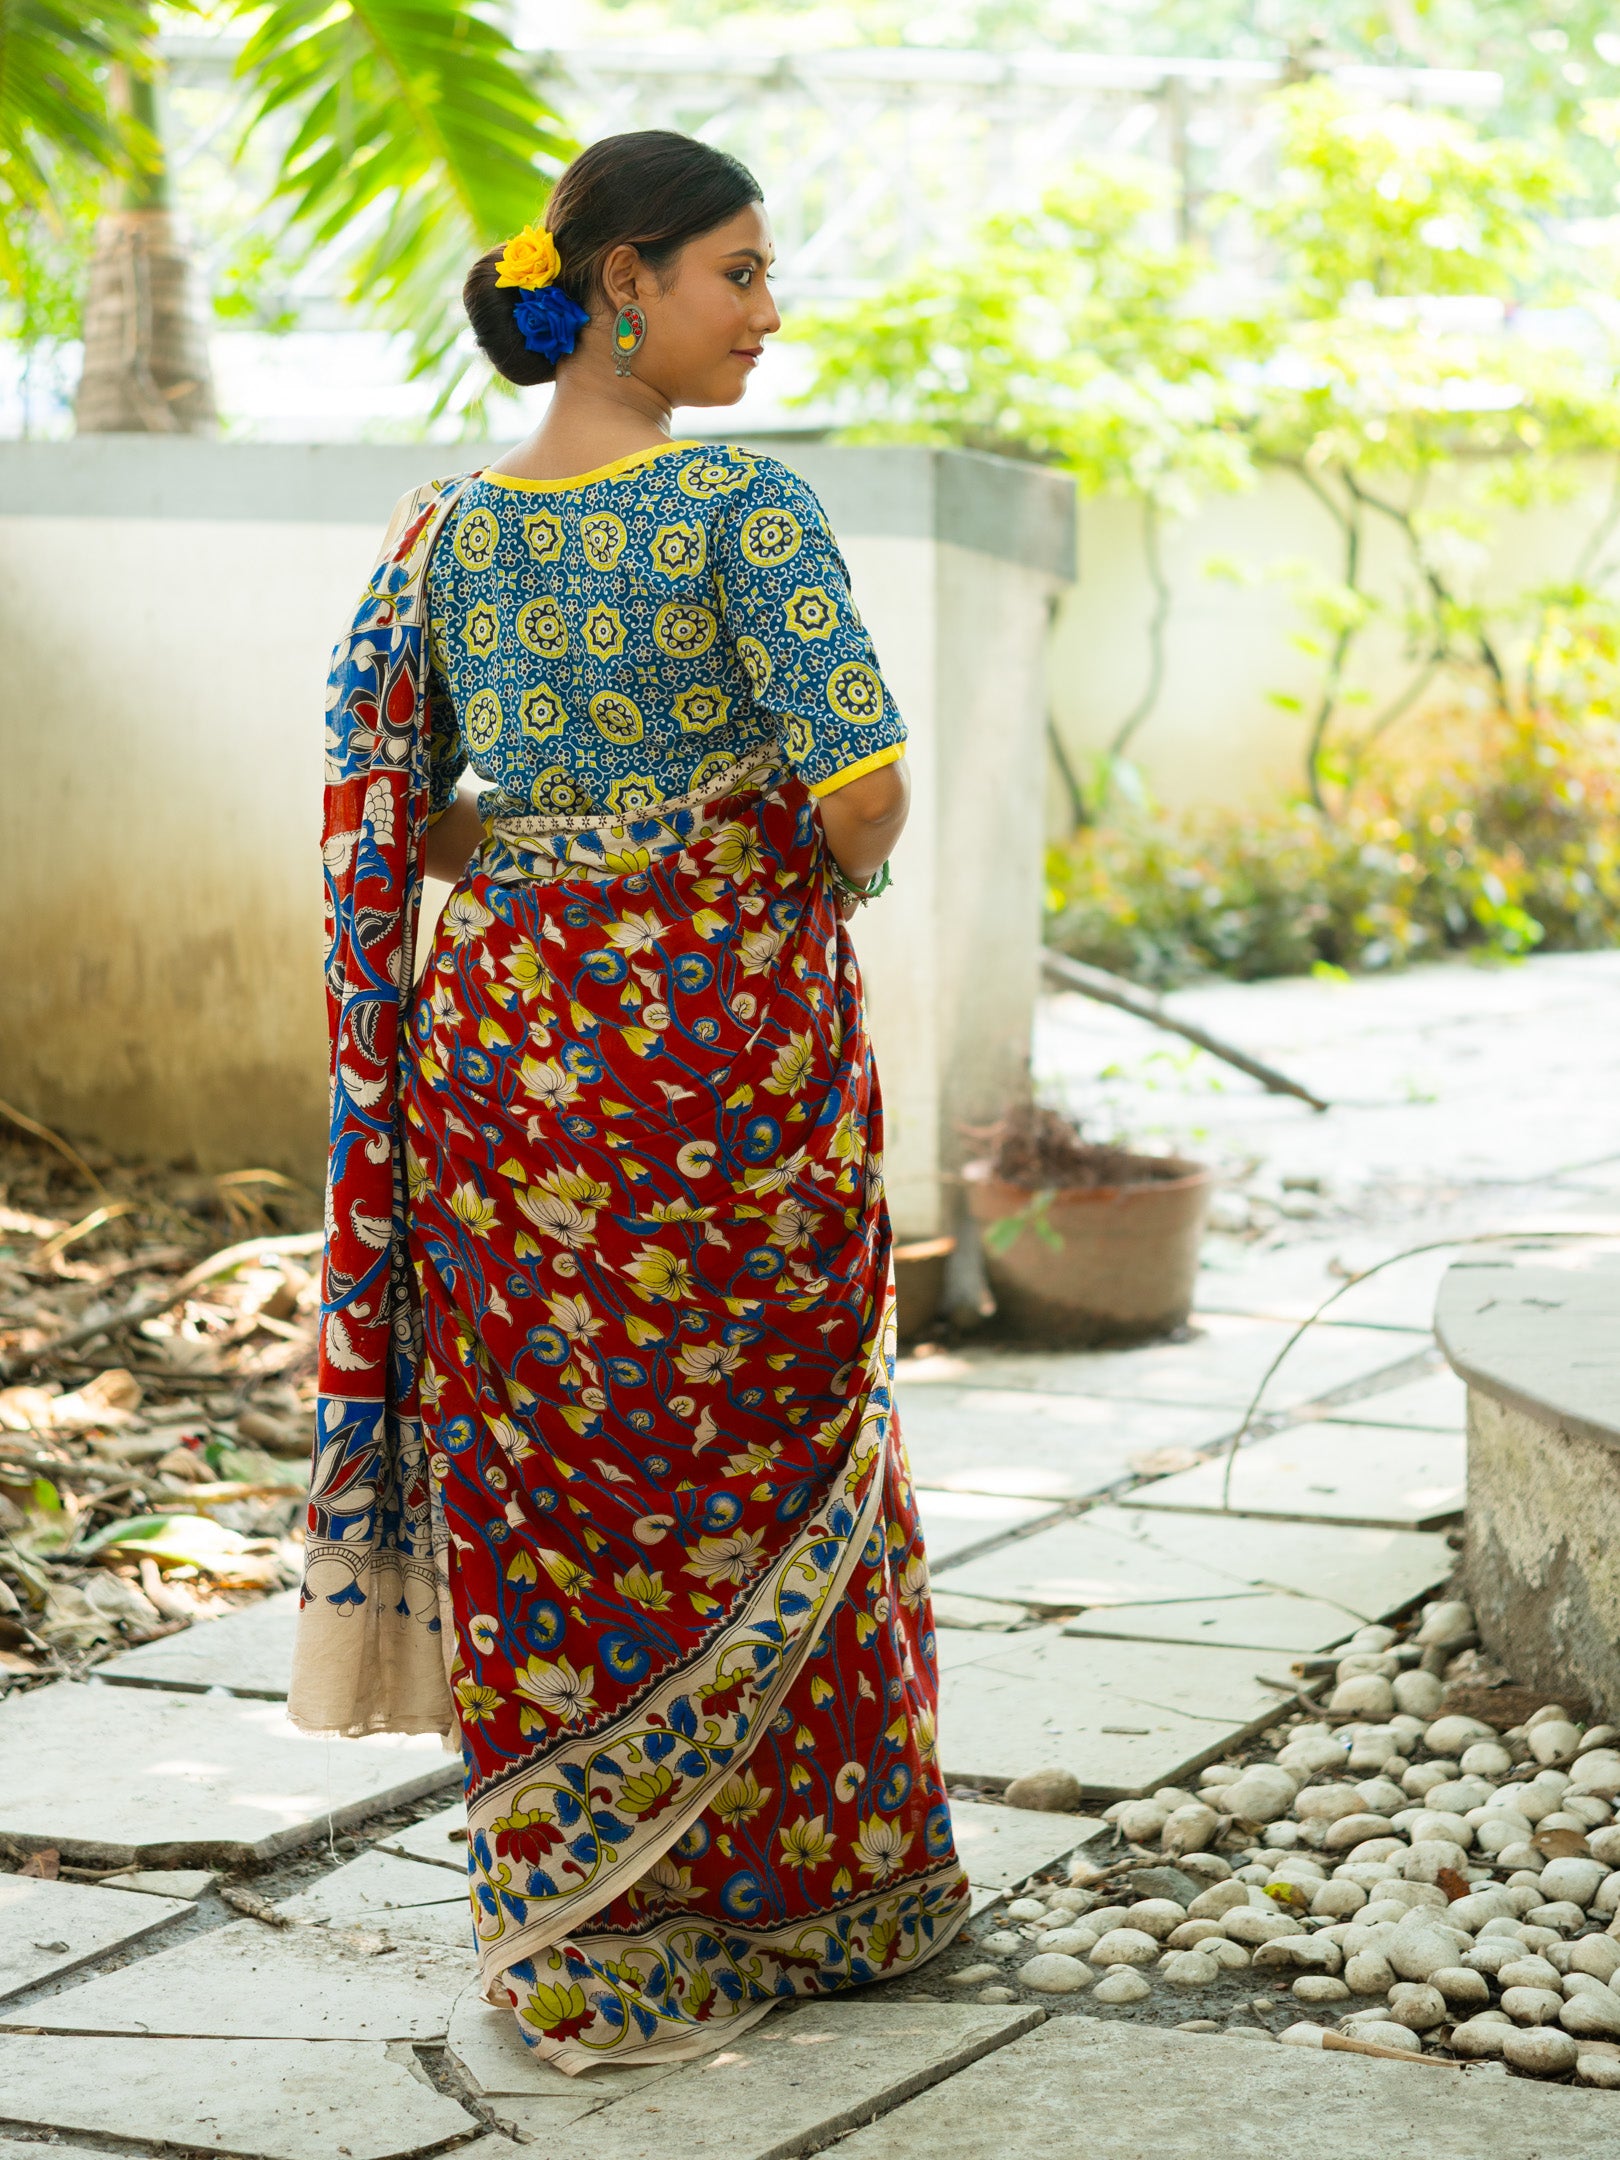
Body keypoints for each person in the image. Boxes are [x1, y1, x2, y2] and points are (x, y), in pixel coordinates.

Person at [291, 128, 967, 2074]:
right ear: (622, 285)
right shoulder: (742, 505)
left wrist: (561, 851)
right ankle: (824, 1899)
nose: (770, 313)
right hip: (722, 1071)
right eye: (738, 273)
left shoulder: (442, 534)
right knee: (769, 1445)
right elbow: (864, 795)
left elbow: (400, 813)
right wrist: (731, 876)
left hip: (506, 1074)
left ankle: (585, 1935)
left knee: (549, 1472)